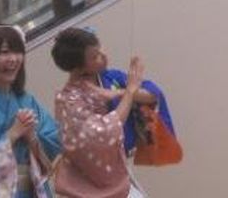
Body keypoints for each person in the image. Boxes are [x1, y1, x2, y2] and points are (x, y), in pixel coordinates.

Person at [51, 27, 152, 197]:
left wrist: (123, 91)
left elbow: (153, 95)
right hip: (91, 184)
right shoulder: (69, 101)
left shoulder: (109, 77)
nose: (103, 56)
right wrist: (129, 92)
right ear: (79, 68)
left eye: (100, 49)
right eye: (95, 56)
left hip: (118, 171)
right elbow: (105, 132)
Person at [0, 24, 61, 197]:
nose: (13, 59)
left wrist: (32, 137)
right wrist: (13, 133)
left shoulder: (27, 100)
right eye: (5, 52)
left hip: (31, 190)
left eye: (18, 52)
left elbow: (54, 142)